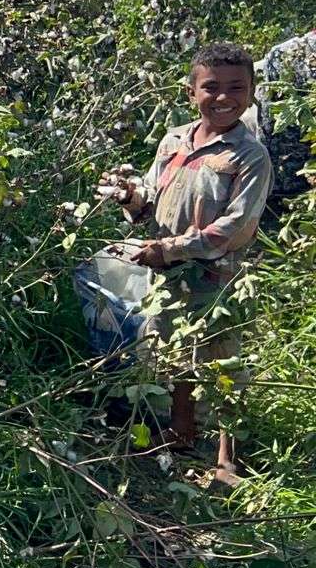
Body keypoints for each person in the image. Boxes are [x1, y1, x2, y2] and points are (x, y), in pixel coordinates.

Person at [101, 43, 271, 486]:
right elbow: (153, 203)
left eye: (237, 88)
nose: (223, 97)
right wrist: (131, 199)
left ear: (251, 92)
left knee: (221, 362)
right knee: (173, 353)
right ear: (190, 90)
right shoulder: (174, 140)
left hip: (219, 279)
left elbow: (234, 229)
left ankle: (227, 458)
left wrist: (170, 248)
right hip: (168, 275)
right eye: (211, 87)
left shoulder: (249, 156)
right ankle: (181, 431)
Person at [251, 29, 316, 218]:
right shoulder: (283, 55)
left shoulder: (281, 54)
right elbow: (268, 126)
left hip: (281, 187)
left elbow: (266, 129)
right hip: (292, 189)